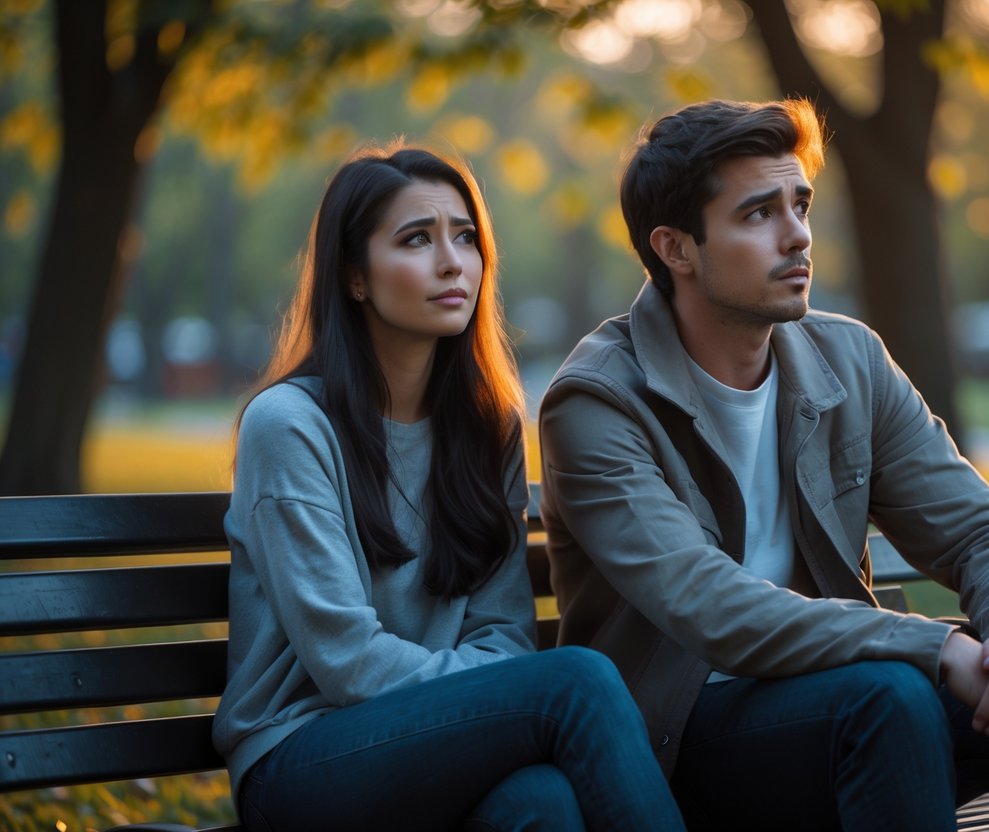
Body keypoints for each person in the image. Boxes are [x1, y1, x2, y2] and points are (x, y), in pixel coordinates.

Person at [538, 99, 989, 830]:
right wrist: (936, 646)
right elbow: (708, 602)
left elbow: (976, 529)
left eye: (799, 204)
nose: (796, 235)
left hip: (861, 704)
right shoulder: (597, 401)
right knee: (886, 699)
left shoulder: (848, 360)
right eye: (757, 214)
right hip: (678, 738)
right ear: (676, 249)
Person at [213, 143, 686, 832]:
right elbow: (346, 661)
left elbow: (504, 635)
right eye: (416, 239)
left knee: (541, 804)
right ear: (355, 278)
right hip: (302, 762)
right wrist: (495, 696)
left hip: (435, 745)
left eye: (464, 237)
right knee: (576, 683)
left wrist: (489, 699)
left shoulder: (484, 428)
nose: (451, 262)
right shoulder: (290, 426)